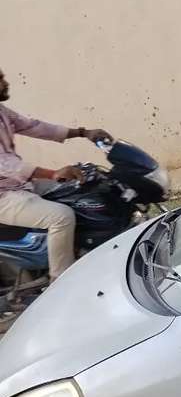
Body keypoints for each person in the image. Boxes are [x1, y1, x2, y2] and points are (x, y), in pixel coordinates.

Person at [0, 68, 111, 280]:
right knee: (61, 217)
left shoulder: (2, 112)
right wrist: (53, 173)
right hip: (4, 197)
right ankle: (61, 280)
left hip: (18, 185)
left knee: (79, 191)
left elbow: (35, 127)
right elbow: (6, 165)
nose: (6, 82)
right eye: (0, 80)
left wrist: (83, 132)